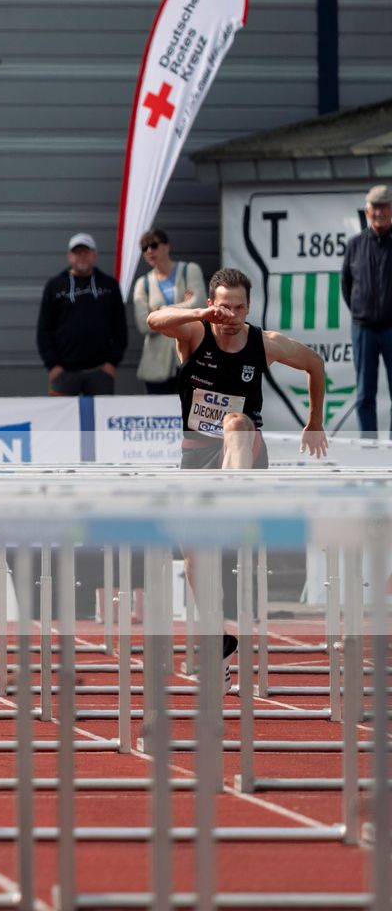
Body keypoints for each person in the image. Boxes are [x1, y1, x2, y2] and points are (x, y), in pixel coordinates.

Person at [148, 266, 328, 690]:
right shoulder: (193, 333)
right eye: (225, 306)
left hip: (246, 452)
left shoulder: (264, 343)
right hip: (196, 454)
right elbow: (154, 319)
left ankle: (232, 507)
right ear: (214, 304)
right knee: (193, 559)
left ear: (249, 307)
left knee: (234, 423)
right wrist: (200, 315)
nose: (232, 315)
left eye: (240, 307)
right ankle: (216, 642)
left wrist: (314, 421)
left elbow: (315, 364)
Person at [37, 232, 128, 396]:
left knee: (101, 420)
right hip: (64, 373)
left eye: (86, 251)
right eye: (77, 252)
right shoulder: (55, 286)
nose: (82, 256)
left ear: (94, 255)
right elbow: (44, 330)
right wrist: (53, 366)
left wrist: (111, 363)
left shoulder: (109, 285)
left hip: (100, 372)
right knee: (61, 420)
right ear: (69, 256)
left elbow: (120, 328)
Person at [128, 228, 204, 395]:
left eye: (154, 245)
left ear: (166, 247)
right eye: (144, 248)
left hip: (190, 359)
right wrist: (184, 306)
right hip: (156, 366)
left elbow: (199, 306)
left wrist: (160, 312)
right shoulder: (143, 283)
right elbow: (143, 324)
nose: (149, 251)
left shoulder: (189, 270)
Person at [343, 184, 392, 438]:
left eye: (384, 206)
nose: (380, 212)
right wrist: (361, 312)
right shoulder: (355, 245)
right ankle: (369, 447)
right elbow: (347, 285)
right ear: (367, 211)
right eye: (376, 207)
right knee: (364, 394)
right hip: (363, 329)